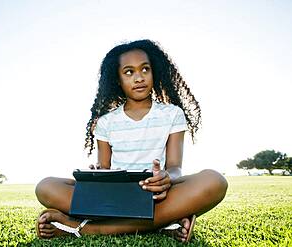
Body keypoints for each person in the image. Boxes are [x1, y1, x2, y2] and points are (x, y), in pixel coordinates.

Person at [35, 39, 228, 243]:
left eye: (145, 69)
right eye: (129, 72)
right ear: (117, 79)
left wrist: (165, 178)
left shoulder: (172, 114)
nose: (139, 77)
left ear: (154, 72)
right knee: (45, 186)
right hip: (116, 196)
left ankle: (82, 228)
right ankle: (164, 224)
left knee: (215, 181)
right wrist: (97, 174)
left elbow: (174, 167)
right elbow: (105, 167)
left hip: (155, 195)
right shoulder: (106, 122)